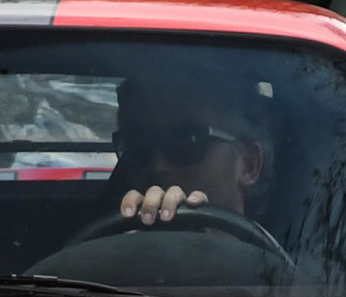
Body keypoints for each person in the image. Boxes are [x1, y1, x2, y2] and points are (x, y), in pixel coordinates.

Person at [108, 84, 272, 229]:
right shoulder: (107, 251)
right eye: (137, 147)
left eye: (185, 144)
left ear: (249, 165)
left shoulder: (272, 263)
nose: (157, 166)